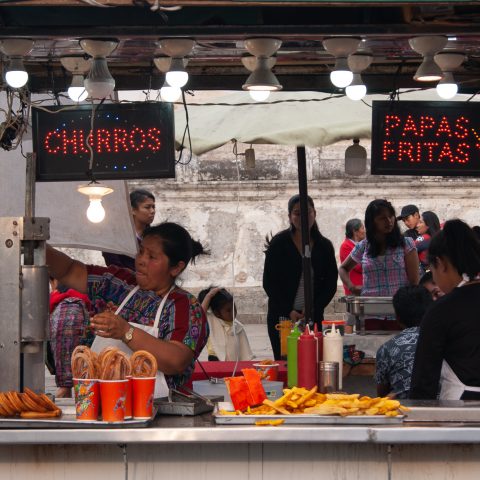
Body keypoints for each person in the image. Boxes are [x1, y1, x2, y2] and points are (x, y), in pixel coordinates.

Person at [47, 221, 209, 390]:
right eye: (140, 252)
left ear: (176, 268)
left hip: (161, 409)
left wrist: (126, 331)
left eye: (152, 257)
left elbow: (176, 361)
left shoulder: (185, 307)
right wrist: (36, 245)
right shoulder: (119, 283)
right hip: (102, 403)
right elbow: (68, 271)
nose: (141, 261)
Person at [410, 219, 480, 400]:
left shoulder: (441, 310)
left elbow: (423, 381)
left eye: (432, 271)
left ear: (440, 264)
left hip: (462, 412)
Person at [263, 194, 338, 360]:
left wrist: (313, 308)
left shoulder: (324, 246)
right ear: (289, 217)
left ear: (315, 214)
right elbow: (269, 283)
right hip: (282, 318)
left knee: (311, 362)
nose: (303, 217)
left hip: (313, 315)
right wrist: (288, 310)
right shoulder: (279, 243)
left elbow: (330, 284)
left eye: (308, 212)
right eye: (297, 213)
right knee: (286, 363)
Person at [339, 199, 419, 330]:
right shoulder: (363, 246)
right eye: (382, 218)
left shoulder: (406, 244)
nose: (389, 221)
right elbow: (343, 268)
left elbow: (414, 283)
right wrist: (351, 287)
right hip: (370, 316)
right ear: (372, 222)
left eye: (391, 216)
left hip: (399, 316)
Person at [375, 285, 433, 399]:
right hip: (441, 408)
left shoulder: (387, 348)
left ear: (397, 318)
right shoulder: (443, 340)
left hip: (400, 410)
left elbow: (382, 394)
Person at [49, 278, 93, 398]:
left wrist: (64, 385)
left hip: (70, 380)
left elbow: (64, 340)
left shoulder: (63, 305)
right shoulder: (82, 301)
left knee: (67, 391)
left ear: (54, 282)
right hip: (86, 376)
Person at [102, 189, 156, 270]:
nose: (152, 211)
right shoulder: (114, 236)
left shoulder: (155, 237)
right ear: (132, 210)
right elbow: (113, 264)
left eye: (153, 207)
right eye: (147, 207)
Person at [198, 286, 253, 362]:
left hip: (234, 361)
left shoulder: (238, 326)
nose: (233, 312)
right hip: (215, 359)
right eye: (228, 310)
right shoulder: (211, 320)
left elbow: (244, 352)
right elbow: (200, 314)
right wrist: (209, 296)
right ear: (217, 313)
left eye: (234, 308)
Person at [339, 218, 365, 294]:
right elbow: (359, 267)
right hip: (355, 289)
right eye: (362, 228)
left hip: (363, 287)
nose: (364, 231)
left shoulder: (360, 244)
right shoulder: (346, 246)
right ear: (355, 231)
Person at [414, 211, 441, 275]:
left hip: (426, 275)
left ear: (428, 225)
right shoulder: (440, 239)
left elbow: (409, 250)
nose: (417, 225)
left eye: (420, 222)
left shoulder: (423, 239)